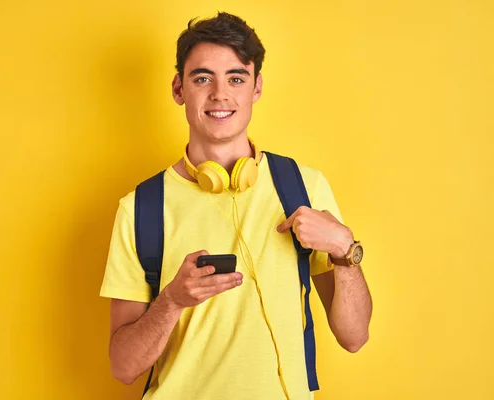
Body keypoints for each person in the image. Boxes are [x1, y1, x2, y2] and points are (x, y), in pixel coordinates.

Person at [100, 12, 372, 400]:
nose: (220, 94)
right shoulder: (141, 208)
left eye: (236, 78)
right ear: (179, 88)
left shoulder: (304, 187)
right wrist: (173, 300)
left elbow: (354, 336)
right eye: (202, 78)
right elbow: (123, 367)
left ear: (256, 88)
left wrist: (346, 249)